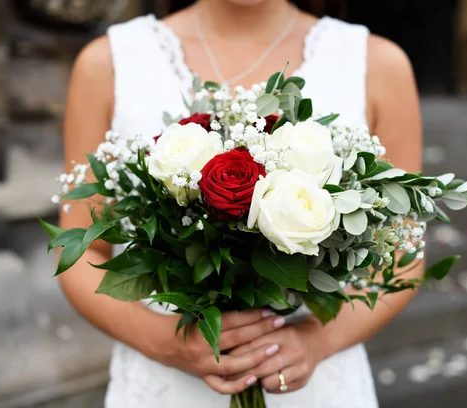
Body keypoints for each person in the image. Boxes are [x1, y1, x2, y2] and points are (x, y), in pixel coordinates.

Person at [60, 0, 422, 406]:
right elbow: (80, 250)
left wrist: (318, 341)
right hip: (164, 384)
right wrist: (166, 342)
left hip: (312, 385)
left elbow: (403, 257)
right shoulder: (108, 62)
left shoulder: (377, 63)